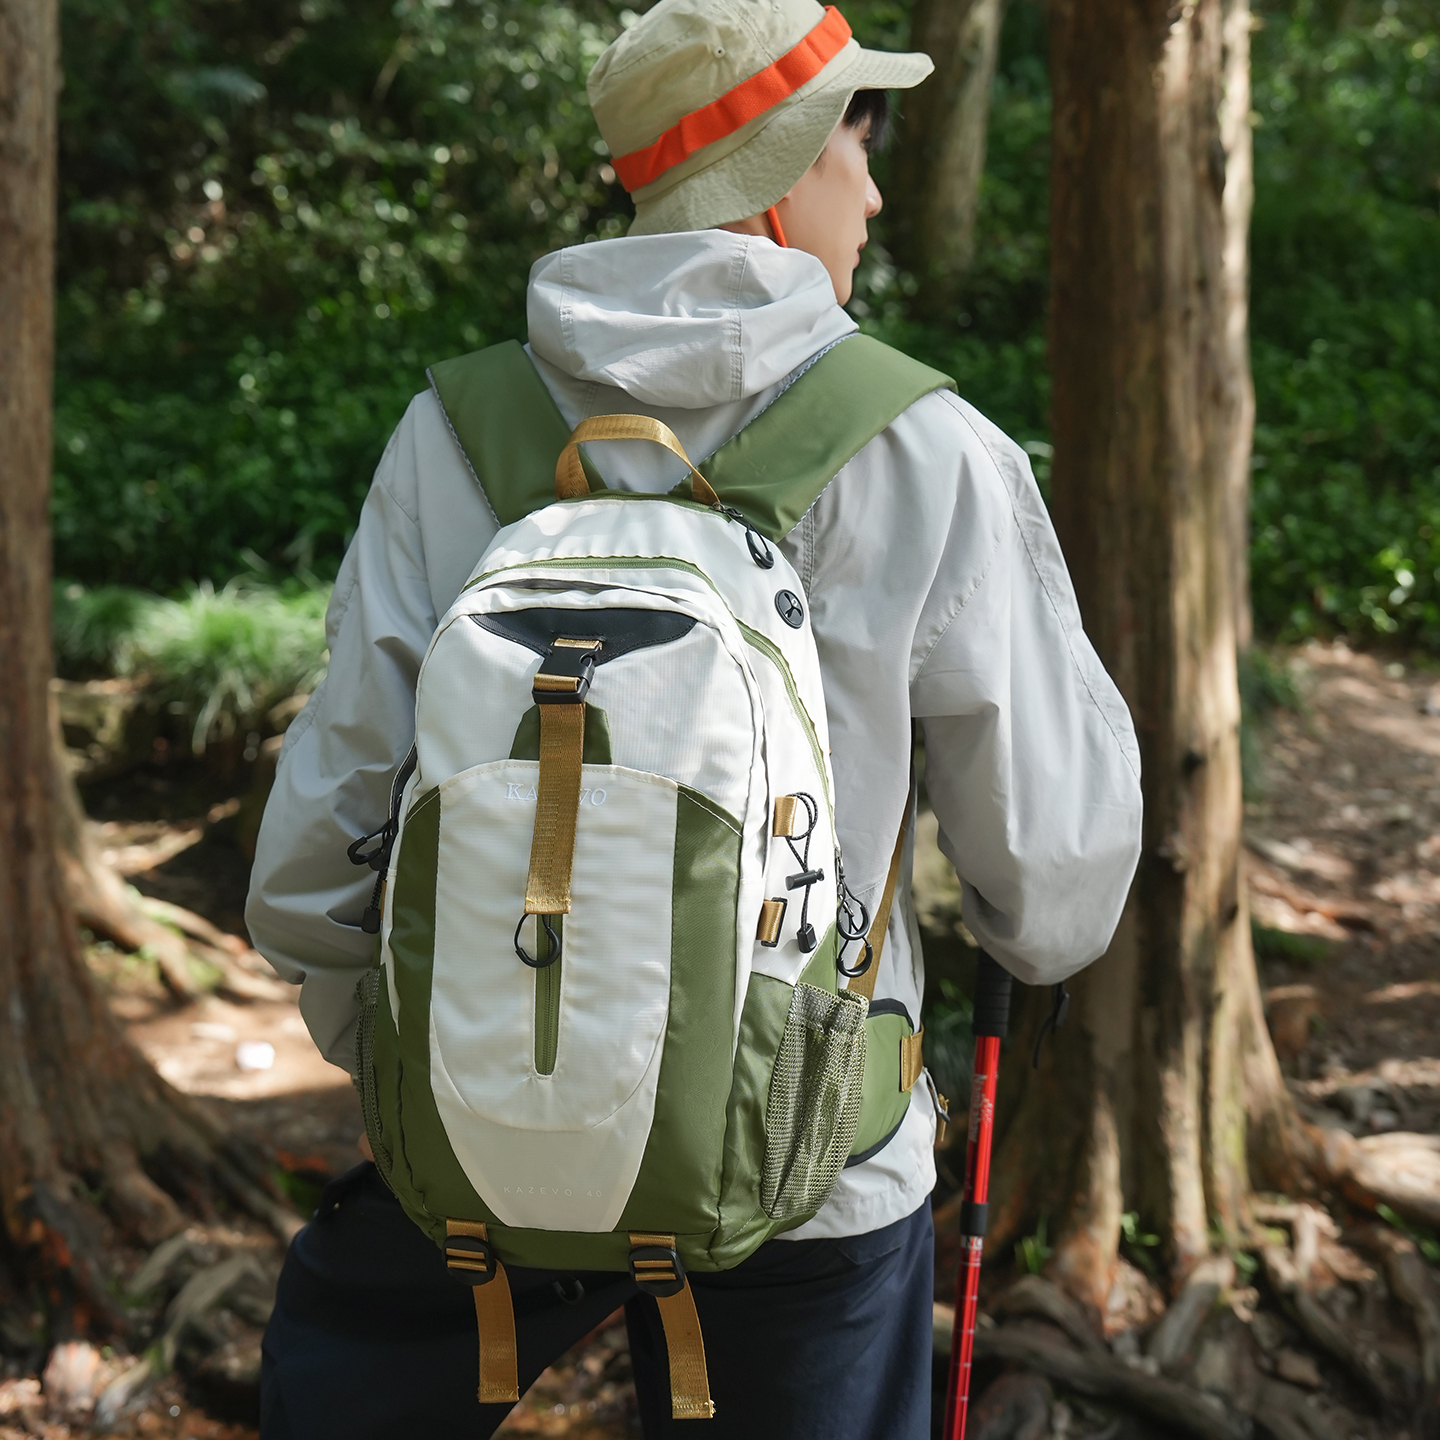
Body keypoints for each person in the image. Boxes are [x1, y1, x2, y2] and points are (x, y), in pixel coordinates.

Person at [246, 0, 1144, 1434]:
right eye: (865, 134)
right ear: (785, 167)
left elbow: (310, 870)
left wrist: (473, 1059)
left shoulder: (453, 433)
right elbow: (1054, 898)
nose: (879, 182)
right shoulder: (930, 450)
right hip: (815, 1162)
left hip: (482, 1141)